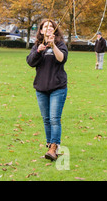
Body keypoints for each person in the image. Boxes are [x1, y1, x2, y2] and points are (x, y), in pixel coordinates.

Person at [26, 19, 68, 161]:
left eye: (51, 26)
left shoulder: (60, 44)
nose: (49, 28)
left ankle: (54, 147)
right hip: (41, 88)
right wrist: (39, 50)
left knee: (54, 119)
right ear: (41, 31)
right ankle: (50, 146)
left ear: (55, 30)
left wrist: (53, 45)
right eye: (46, 27)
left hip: (58, 87)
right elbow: (30, 62)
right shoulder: (37, 45)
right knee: (46, 119)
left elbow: (61, 58)